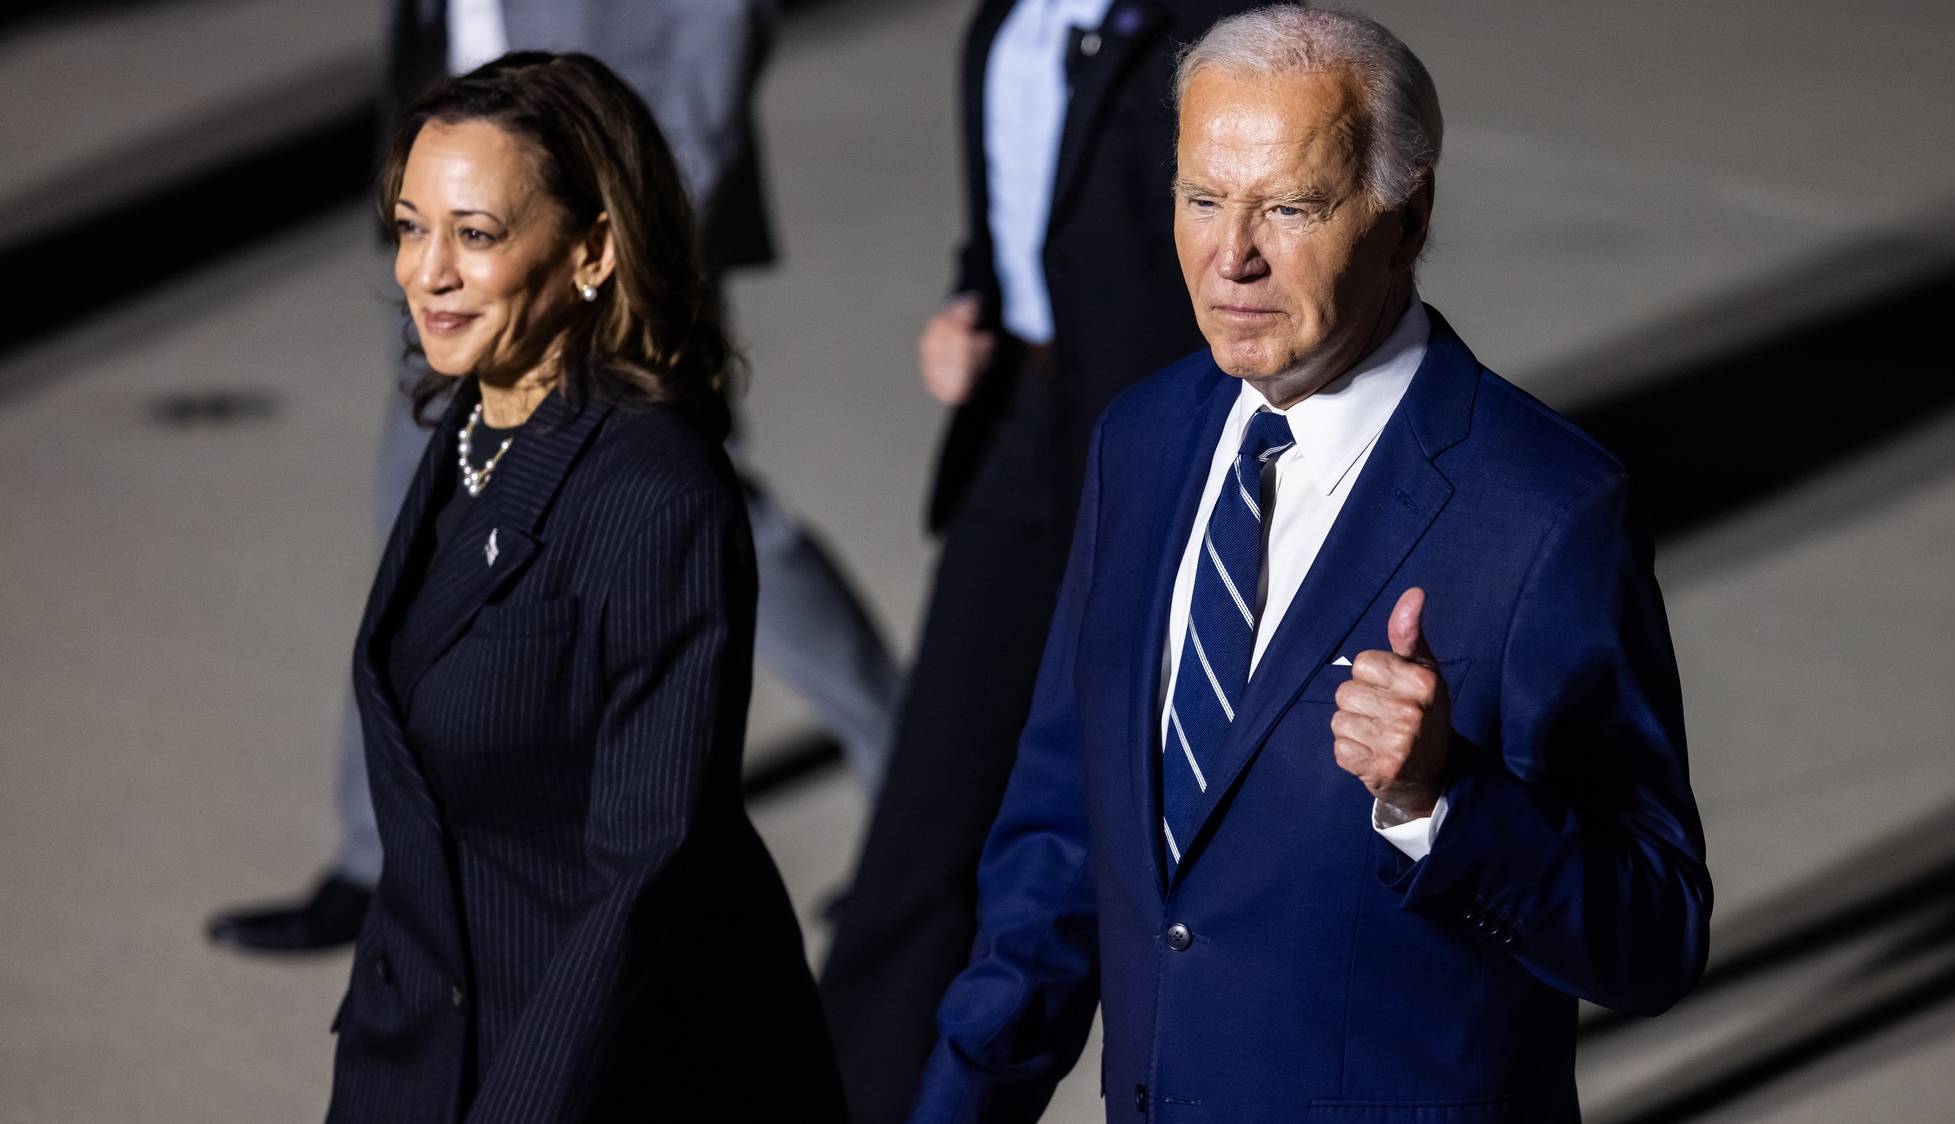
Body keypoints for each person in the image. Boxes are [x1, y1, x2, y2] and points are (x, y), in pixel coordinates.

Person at [908, 8, 1713, 1121]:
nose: (1230, 256)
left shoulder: (1541, 512)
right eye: (1202, 199)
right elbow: (1058, 842)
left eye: (1288, 207)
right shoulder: (1140, 440)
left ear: (1407, 212)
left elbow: (1654, 934)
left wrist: (1438, 802)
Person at [209, 0, 901, 954]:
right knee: (417, 535)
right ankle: (380, 858)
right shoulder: (430, 257)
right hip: (456, 199)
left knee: (696, 514)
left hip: (583, 241)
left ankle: (906, 769)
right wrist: (426, 222)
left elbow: (712, 42)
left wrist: (642, 249)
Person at [324, 53, 843, 1121]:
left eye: (476, 234)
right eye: (412, 224)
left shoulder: (653, 494)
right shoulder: (477, 418)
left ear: (594, 249)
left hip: (581, 1068)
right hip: (421, 1036)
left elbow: (646, 866)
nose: (426, 271)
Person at [816, 4, 1264, 1118]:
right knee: (931, 801)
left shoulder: (1215, 28)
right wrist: (970, 303)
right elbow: (1025, 218)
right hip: (1018, 427)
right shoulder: (1007, 18)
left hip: (1159, 450)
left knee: (1173, 842)